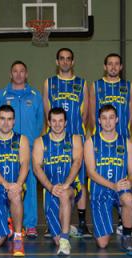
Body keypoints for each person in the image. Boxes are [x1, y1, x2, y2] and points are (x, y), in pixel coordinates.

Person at [43, 48, 90, 237]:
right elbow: (48, 111)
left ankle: (81, 223)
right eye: (61, 58)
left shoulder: (82, 83)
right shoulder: (49, 83)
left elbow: (85, 114)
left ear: (73, 61)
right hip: (54, 140)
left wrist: (77, 134)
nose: (65, 62)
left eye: (68, 59)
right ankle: (52, 222)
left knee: (80, 180)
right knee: (53, 180)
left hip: (76, 137)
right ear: (57, 61)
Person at [0, 61, 44, 238]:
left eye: (22, 71)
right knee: (8, 186)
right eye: (15, 71)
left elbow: (40, 122)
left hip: (28, 149)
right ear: (10, 74)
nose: (18, 74)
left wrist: (32, 143)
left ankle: (30, 224)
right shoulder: (2, 94)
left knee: (29, 186)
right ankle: (9, 223)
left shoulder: (35, 95)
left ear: (26, 74)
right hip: (6, 149)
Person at [89, 53, 132, 236]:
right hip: (102, 138)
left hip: (121, 139)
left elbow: (131, 115)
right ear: (105, 66)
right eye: (110, 64)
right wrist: (101, 133)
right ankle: (105, 218)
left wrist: (122, 132)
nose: (114, 67)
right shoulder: (96, 86)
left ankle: (123, 223)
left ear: (121, 67)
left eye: (117, 64)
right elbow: (93, 114)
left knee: (123, 183)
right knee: (101, 177)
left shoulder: (128, 86)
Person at [84, 104, 132, 255]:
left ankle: (127, 236)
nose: (108, 122)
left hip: (120, 189)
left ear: (117, 120)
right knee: (102, 244)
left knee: (129, 199)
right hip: (100, 191)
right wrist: (112, 185)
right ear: (99, 121)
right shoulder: (91, 142)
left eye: (111, 118)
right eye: (104, 118)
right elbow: (91, 173)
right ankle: (105, 223)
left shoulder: (126, 142)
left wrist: (130, 182)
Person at [32, 107, 83, 255]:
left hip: (71, 186)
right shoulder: (40, 142)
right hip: (50, 188)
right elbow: (36, 168)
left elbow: (77, 162)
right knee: (56, 239)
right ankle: (67, 228)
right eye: (54, 121)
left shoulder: (75, 139)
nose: (57, 124)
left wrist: (67, 183)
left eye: (61, 120)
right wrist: (50, 187)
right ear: (48, 122)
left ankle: (65, 239)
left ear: (66, 122)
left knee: (65, 194)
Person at [0, 105, 30, 256]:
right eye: (2, 118)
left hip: (14, 188)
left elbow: (25, 164)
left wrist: (19, 184)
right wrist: (6, 184)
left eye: (9, 119)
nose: (6, 123)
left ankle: (17, 237)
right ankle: (9, 224)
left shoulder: (21, 139)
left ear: (14, 121)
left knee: (15, 195)